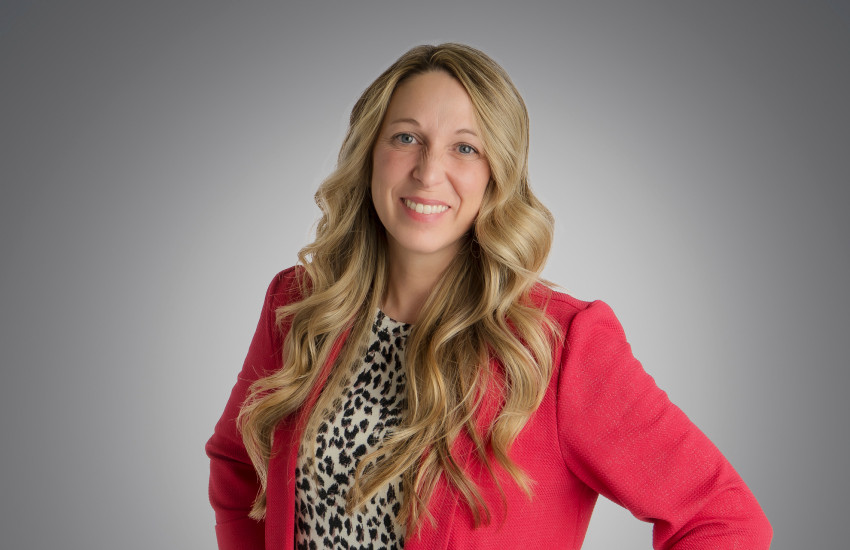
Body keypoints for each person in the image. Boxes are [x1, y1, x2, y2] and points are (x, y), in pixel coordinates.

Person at [206, 43, 772, 549]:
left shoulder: (558, 346)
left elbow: (721, 518)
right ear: (369, 154)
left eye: (465, 148)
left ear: (497, 174)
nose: (429, 172)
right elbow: (237, 463)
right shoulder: (301, 306)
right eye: (407, 138)